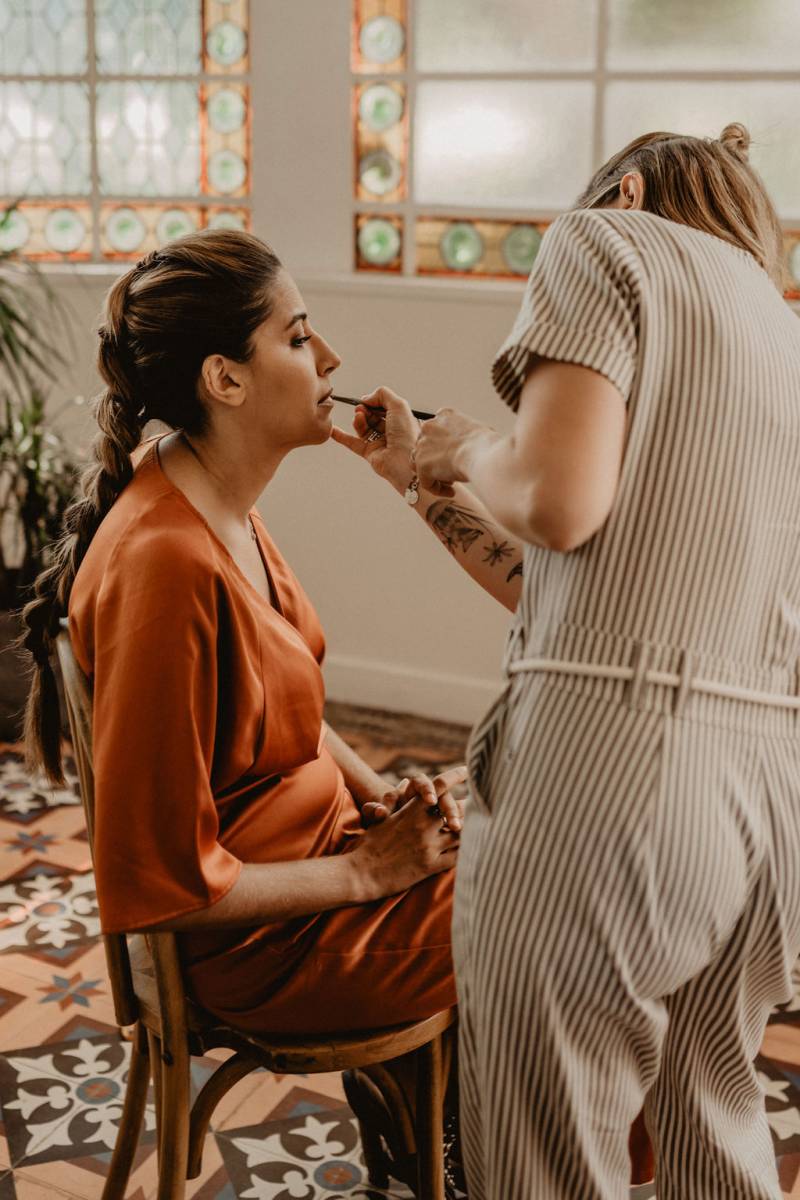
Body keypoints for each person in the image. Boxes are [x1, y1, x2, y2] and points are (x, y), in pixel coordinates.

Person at [332, 123, 800, 1199]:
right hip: (769, 812)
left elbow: (554, 501)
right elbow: (559, 586)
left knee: (546, 1159)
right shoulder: (781, 334)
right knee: (713, 1145)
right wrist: (419, 482)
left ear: (624, 191)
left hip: (611, 784)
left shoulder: (604, 241)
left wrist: (466, 446)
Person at [20, 231, 465, 1043]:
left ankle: (451, 1111)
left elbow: (281, 706)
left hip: (327, 861)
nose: (330, 358)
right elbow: (163, 885)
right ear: (225, 380)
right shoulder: (165, 564)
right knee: (562, 912)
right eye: (297, 338)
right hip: (270, 944)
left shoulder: (210, 493)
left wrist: (382, 797)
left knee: (536, 833)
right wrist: (369, 870)